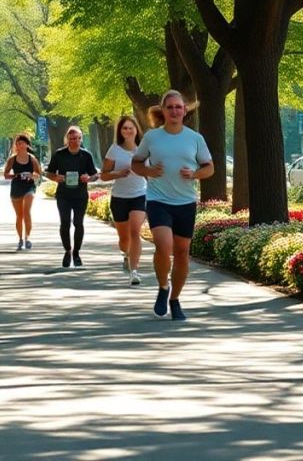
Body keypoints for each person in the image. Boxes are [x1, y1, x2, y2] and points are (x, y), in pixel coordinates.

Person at [131, 90, 214, 321]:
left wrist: (195, 174)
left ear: (185, 111)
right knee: (164, 246)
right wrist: (148, 171)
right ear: (163, 111)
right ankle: (162, 286)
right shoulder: (151, 137)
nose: (175, 111)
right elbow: (136, 163)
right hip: (158, 200)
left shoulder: (195, 138)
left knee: (181, 252)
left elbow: (210, 167)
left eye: (178, 107)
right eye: (170, 107)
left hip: (185, 202)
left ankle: (175, 299)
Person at [101, 115, 148, 285]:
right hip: (119, 197)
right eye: (124, 128)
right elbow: (104, 175)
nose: (128, 131)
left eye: (130, 128)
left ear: (136, 129)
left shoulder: (144, 149)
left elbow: (150, 172)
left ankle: (134, 271)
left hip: (140, 194)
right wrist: (118, 174)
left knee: (135, 231)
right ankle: (126, 253)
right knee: (124, 240)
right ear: (120, 132)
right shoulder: (114, 150)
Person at [45, 126, 99, 268]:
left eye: (77, 138)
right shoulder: (59, 154)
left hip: (80, 195)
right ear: (67, 140)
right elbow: (49, 173)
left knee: (78, 223)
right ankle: (67, 250)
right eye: (71, 139)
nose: (74, 141)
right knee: (65, 223)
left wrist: (88, 178)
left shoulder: (86, 155)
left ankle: (76, 252)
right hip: (63, 194)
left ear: (81, 139)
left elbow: (95, 175)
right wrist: (57, 177)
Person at [3, 133, 42, 250]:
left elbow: (38, 173)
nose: (19, 145)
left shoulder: (32, 159)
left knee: (26, 212)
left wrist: (32, 175)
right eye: (18, 143)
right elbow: (6, 174)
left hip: (29, 187)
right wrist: (15, 175)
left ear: (27, 145)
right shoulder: (12, 159)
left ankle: (28, 237)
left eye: (22, 143)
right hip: (16, 188)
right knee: (19, 215)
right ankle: (20, 239)